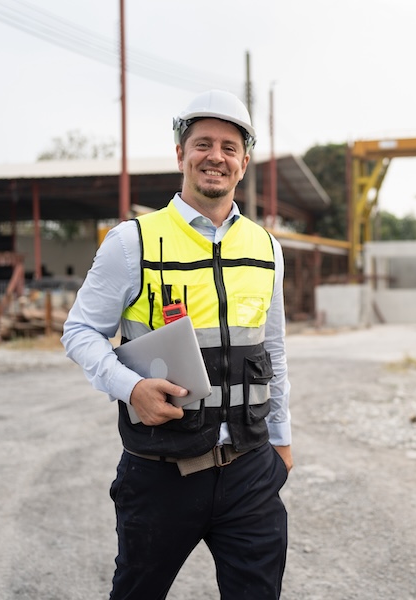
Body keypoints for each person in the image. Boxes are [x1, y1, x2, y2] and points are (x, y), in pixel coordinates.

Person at [61, 89, 292, 599]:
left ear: (244, 161)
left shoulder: (266, 246)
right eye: (203, 144)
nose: (216, 156)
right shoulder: (132, 242)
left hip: (249, 469)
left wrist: (282, 440)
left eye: (229, 147)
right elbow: (79, 331)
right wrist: (130, 387)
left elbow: (271, 351)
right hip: (161, 472)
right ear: (181, 155)